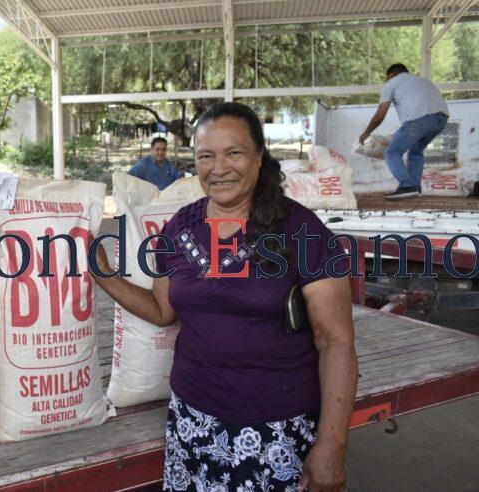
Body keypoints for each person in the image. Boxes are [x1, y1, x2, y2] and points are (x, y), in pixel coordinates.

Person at [92, 102, 357, 491]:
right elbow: (164, 310)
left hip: (276, 431)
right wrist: (104, 273)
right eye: (206, 156)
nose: (219, 168)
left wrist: (332, 445)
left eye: (234, 153)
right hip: (192, 423)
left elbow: (336, 341)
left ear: (259, 157)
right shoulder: (180, 227)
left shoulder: (302, 230)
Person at [359, 63, 449, 200]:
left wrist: (366, 133)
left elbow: (380, 115)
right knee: (416, 152)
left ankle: (407, 186)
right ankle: (415, 188)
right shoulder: (423, 81)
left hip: (419, 120)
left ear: (391, 76)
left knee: (392, 152)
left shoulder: (391, 83)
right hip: (441, 119)